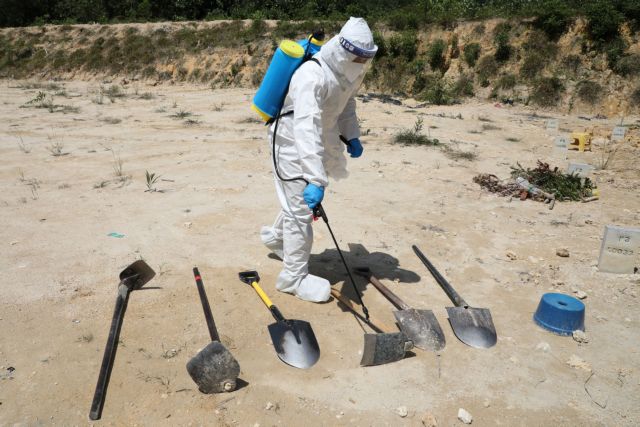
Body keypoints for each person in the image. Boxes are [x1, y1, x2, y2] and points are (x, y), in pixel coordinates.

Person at [260, 17, 377, 303]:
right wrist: (315, 178)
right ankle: (293, 279)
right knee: (300, 209)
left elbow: (346, 102)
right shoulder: (311, 75)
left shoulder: (349, 71)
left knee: (297, 202)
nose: (362, 62)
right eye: (358, 56)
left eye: (366, 57)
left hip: (318, 141)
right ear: (344, 49)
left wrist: (352, 135)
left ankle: (276, 238)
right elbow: (305, 126)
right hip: (289, 142)